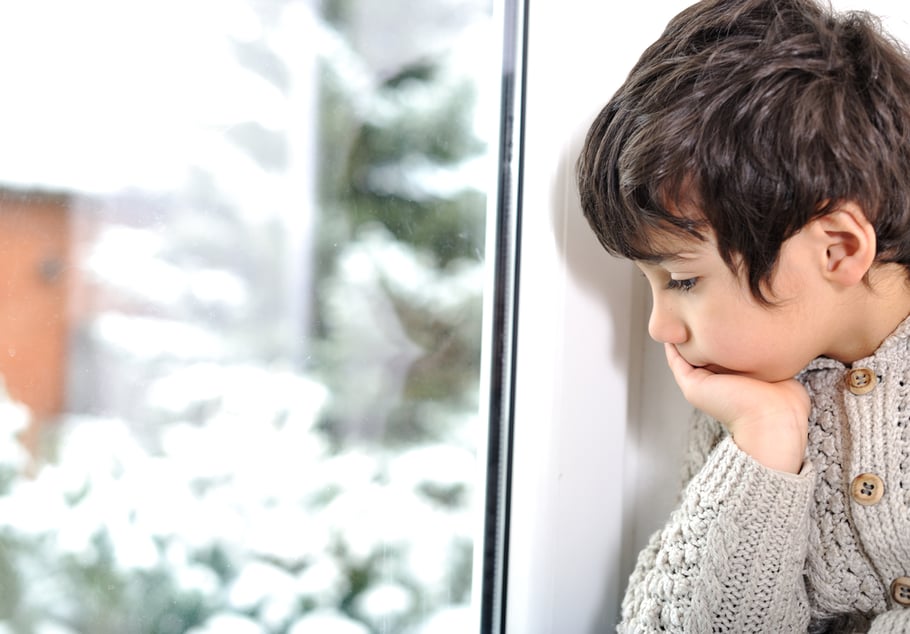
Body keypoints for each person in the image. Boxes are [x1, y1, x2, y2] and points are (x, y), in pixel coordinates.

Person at [576, 0, 910, 631]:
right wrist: (762, 441)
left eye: (682, 279)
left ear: (837, 249)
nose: (659, 328)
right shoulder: (746, 403)